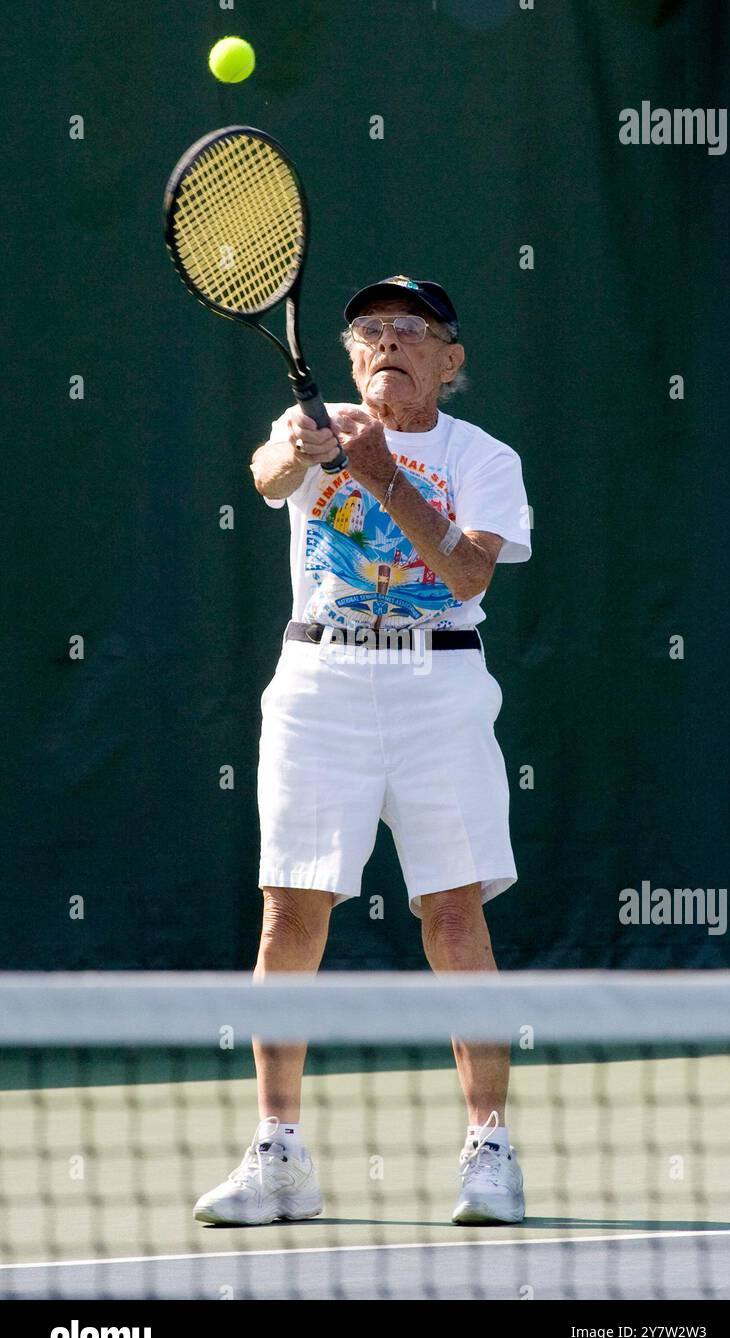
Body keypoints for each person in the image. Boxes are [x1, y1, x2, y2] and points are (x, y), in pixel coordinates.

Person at [194, 275, 531, 1229]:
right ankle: (277, 1155)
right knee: (287, 918)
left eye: (412, 331)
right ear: (347, 358)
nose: (388, 342)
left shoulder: (485, 457)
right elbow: (267, 475)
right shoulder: (313, 425)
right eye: (370, 331)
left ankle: (489, 1151)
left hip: (441, 690)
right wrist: (295, 452)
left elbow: (469, 571)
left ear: (448, 360)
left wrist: (379, 472)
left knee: (454, 918)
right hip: (320, 686)